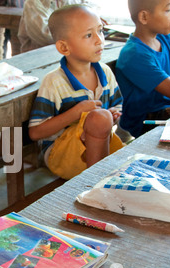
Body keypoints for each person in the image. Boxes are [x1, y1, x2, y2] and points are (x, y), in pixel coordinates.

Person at [28, 4, 124, 180]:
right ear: (64, 48)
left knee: (102, 119)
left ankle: (97, 177)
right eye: (88, 35)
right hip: (60, 152)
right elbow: (35, 133)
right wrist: (77, 112)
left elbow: (118, 105)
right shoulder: (55, 81)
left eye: (100, 31)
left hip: (97, 144)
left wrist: (113, 115)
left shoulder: (105, 73)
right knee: (99, 118)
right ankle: (94, 182)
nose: (99, 40)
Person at [115, 0, 170, 138]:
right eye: (169, 9)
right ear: (144, 17)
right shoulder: (134, 54)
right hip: (147, 122)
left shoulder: (166, 38)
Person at [18, 0, 92, 53]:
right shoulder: (33, 3)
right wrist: (81, 33)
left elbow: (91, 13)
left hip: (68, 54)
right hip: (41, 58)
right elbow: (46, 37)